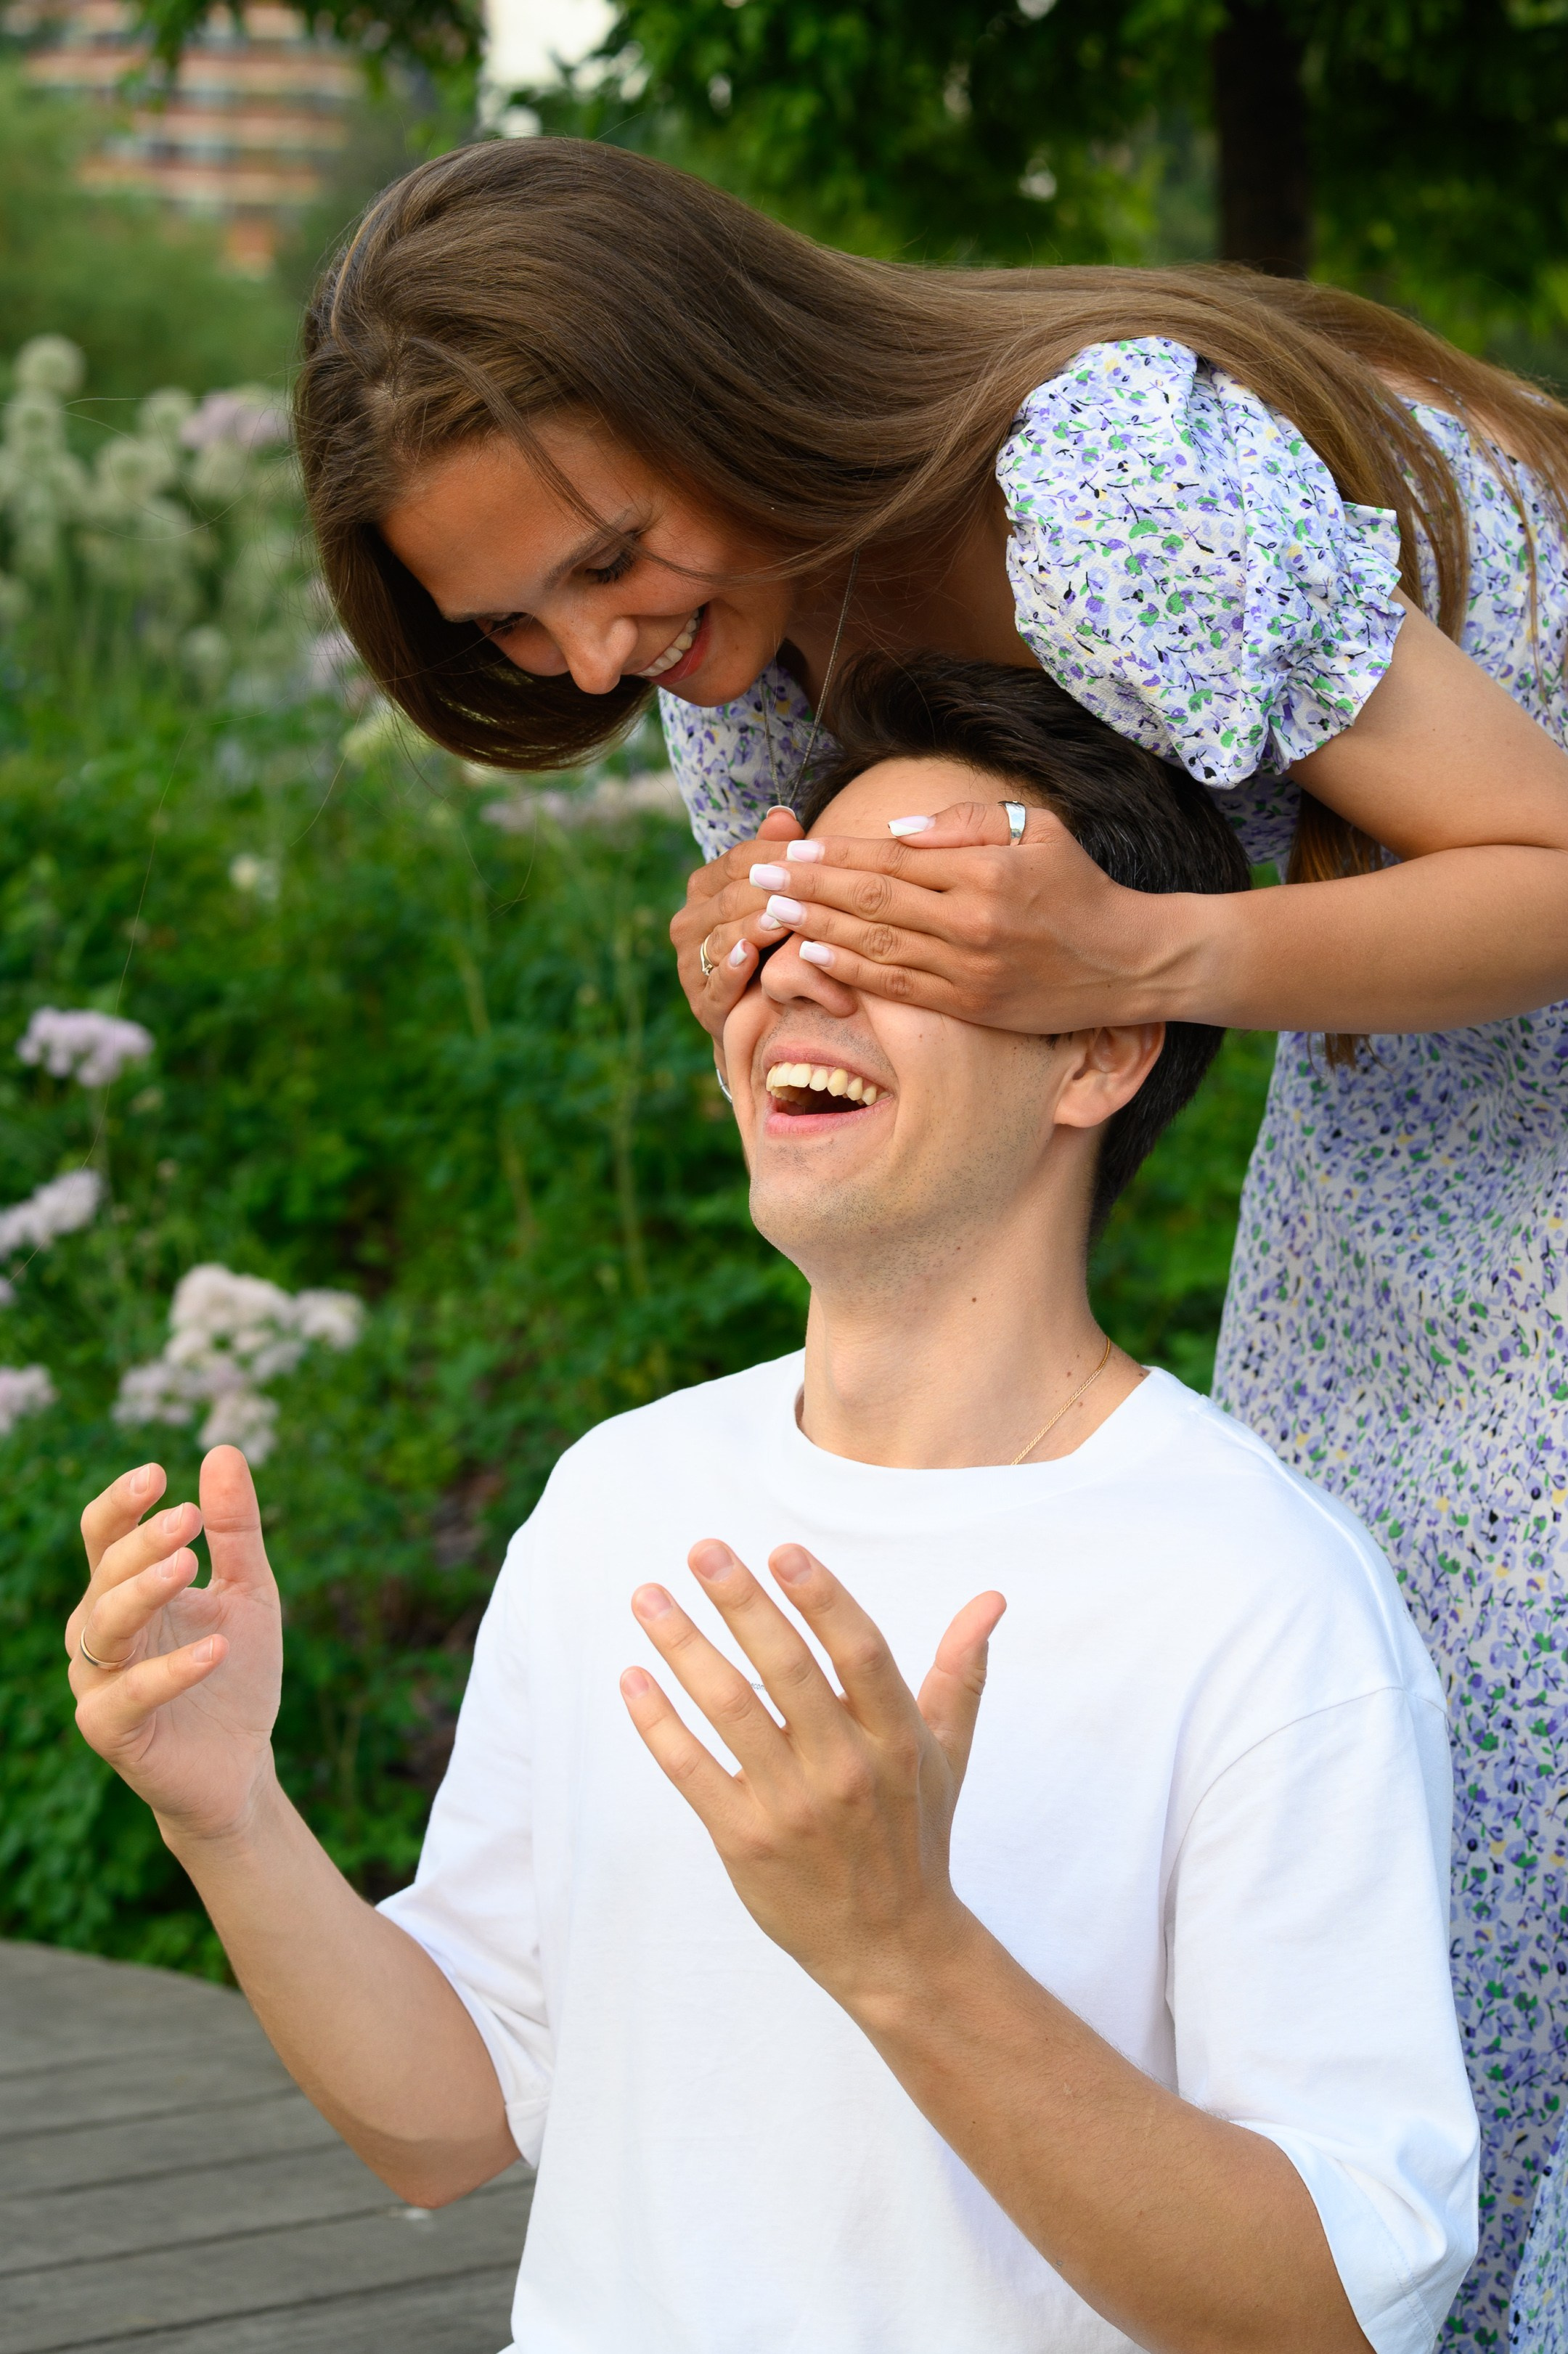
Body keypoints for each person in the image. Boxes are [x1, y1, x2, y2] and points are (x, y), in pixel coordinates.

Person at [293, 137, 1568, 2339]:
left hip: (1513, 951)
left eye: (607, 559)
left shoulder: (1105, 486)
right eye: (513, 624)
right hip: (1359, 1026)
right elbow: (944, 1050)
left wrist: (1140, 948)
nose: (600, 650)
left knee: (1487, 1800)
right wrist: (785, 965)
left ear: (720, 389)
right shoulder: (750, 618)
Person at [69, 658, 1477, 2354]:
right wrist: (229, 1813)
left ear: (1099, 1047)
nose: (798, 978)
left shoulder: (1266, 1592)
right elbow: (445, 2116)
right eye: (783, 925)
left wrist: (906, 1951)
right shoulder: (622, 1497)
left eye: (898, 936)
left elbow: (1337, 2305)